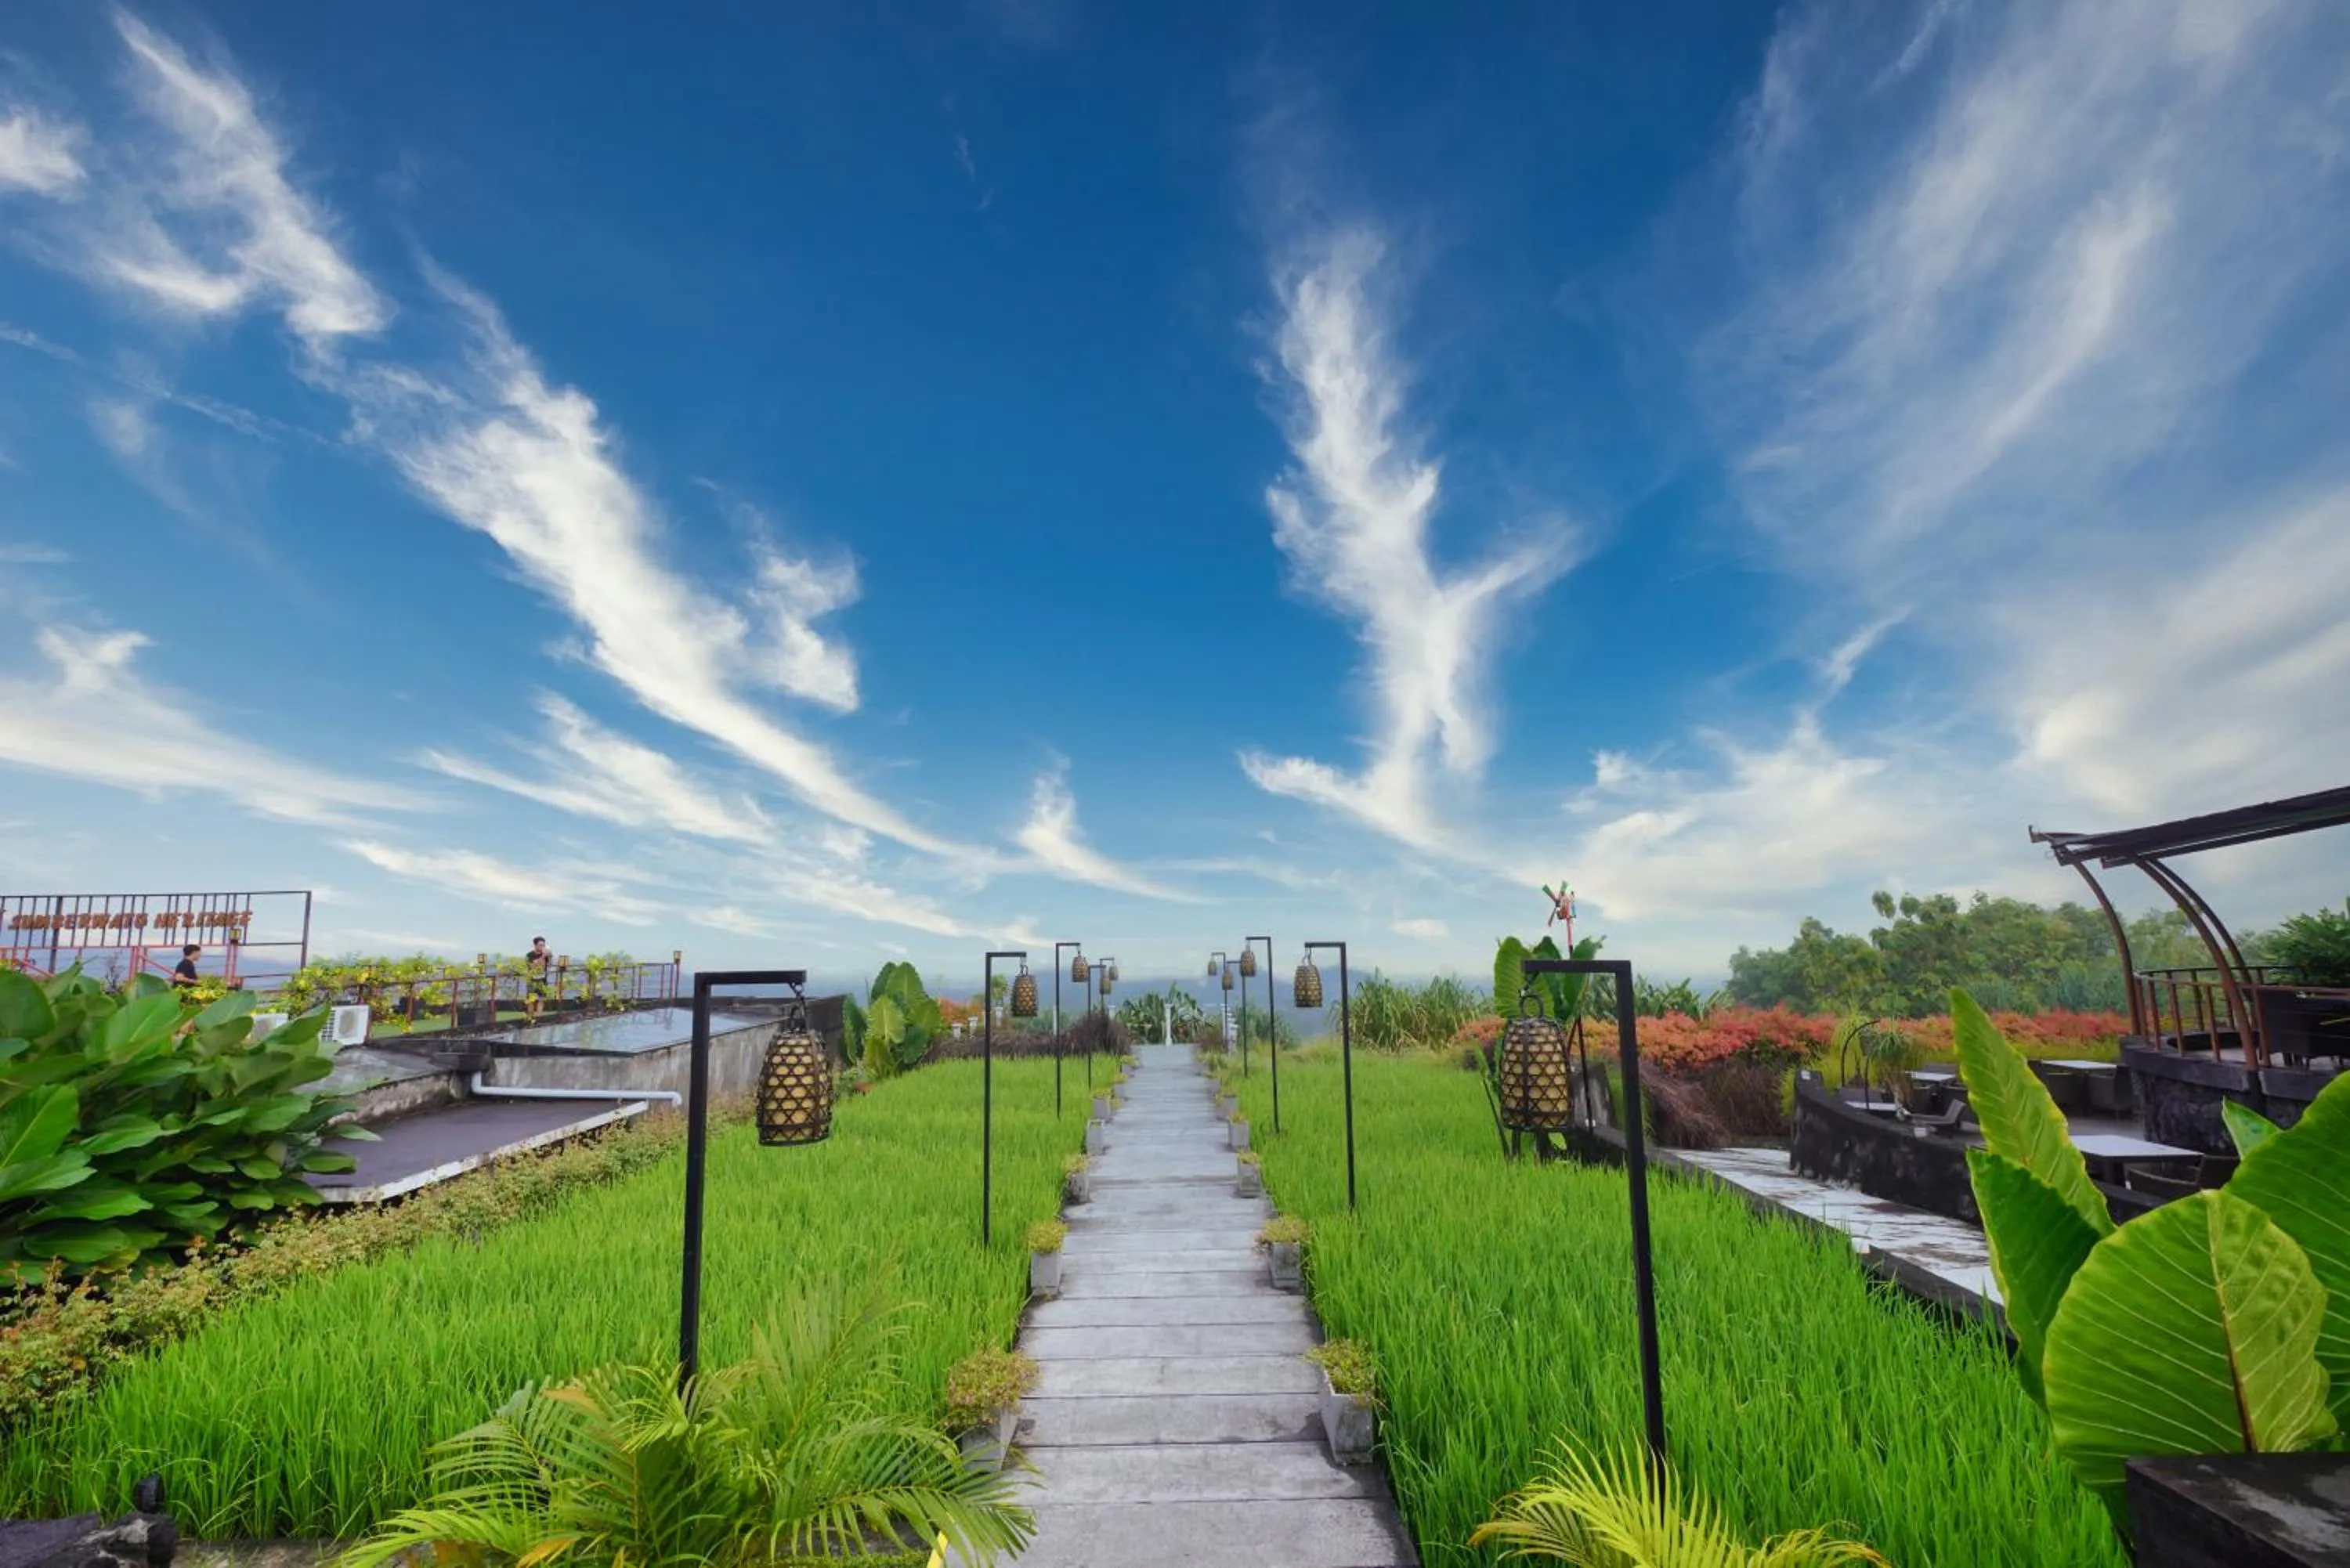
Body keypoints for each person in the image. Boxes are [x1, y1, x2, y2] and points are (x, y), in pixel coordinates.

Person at [524, 936, 552, 1019]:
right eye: (540, 945)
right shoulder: (529, 955)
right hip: (532, 981)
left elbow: (549, 965)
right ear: (535, 945)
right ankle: (530, 1018)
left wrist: (549, 957)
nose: (542, 947)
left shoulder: (545, 954)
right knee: (531, 1001)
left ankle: (539, 1018)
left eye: (543, 945)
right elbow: (533, 966)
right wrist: (543, 956)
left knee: (541, 1000)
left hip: (542, 980)